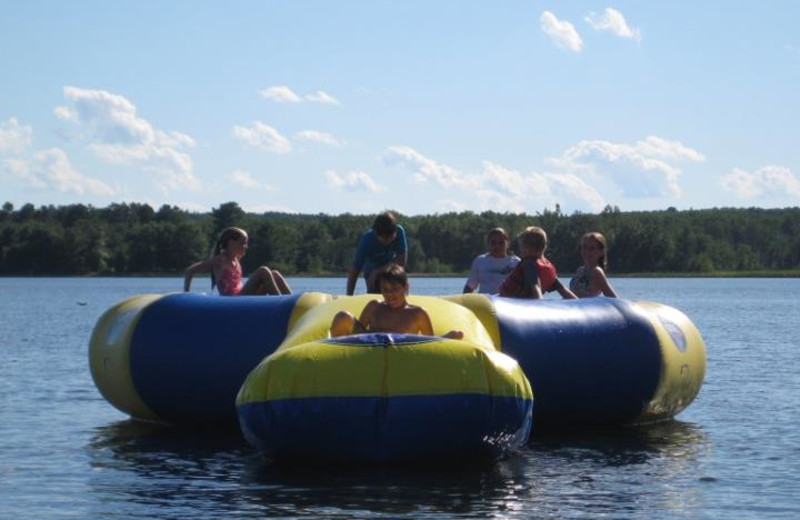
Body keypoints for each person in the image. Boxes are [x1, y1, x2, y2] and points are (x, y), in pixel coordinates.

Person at [332, 264, 463, 339]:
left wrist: (448, 337)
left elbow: (430, 344)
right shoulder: (374, 306)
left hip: (400, 353)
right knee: (343, 317)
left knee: (456, 334)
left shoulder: (417, 314)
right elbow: (356, 336)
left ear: (405, 287)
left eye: (395, 289)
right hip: (370, 349)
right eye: (385, 289)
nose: (390, 294)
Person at [183, 227, 291, 296]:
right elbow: (189, 271)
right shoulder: (219, 260)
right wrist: (186, 294)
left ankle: (293, 302)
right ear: (231, 243)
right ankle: (281, 303)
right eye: (243, 243)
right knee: (263, 270)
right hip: (234, 299)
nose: (246, 247)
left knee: (275, 274)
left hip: (242, 295)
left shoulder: (236, 259)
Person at [498, 226, 577, 300]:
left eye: (521, 246)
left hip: (507, 303)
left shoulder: (529, 264)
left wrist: (540, 307)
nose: (520, 250)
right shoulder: (547, 266)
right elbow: (564, 290)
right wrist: (580, 304)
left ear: (526, 248)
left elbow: (536, 287)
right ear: (544, 247)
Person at [346, 211, 408, 295]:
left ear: (395, 232)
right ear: (376, 233)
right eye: (384, 238)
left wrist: (378, 271)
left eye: (390, 237)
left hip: (390, 268)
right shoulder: (367, 240)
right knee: (375, 284)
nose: (387, 241)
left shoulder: (399, 231)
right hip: (371, 271)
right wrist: (349, 297)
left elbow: (401, 261)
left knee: (399, 275)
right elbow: (354, 272)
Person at [463, 227, 521, 294]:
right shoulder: (480, 261)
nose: (497, 246)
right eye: (493, 243)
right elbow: (469, 287)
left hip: (507, 302)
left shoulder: (516, 262)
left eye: (501, 243)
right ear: (488, 244)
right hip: (485, 303)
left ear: (508, 243)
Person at [569, 232, 618, 298]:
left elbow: (613, 298)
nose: (587, 251)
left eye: (592, 248)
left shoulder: (596, 272)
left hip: (587, 307)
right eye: (584, 247)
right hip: (573, 307)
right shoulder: (580, 270)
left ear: (601, 252)